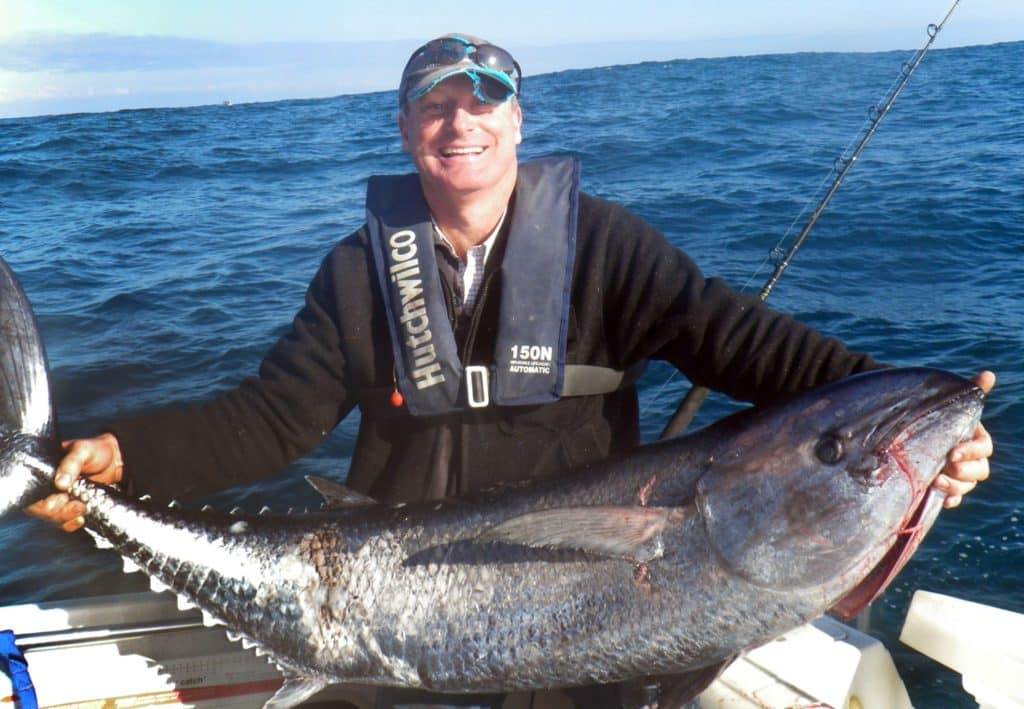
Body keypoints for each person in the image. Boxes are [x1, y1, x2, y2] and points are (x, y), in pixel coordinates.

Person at [28, 33, 994, 707]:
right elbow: (271, 419)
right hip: (375, 597)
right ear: (407, 131)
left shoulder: (609, 247)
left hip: (585, 614)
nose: (461, 122)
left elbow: (754, 348)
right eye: (434, 106)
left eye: (483, 101)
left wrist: (922, 413)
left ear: (520, 123)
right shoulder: (360, 270)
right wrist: (124, 453)